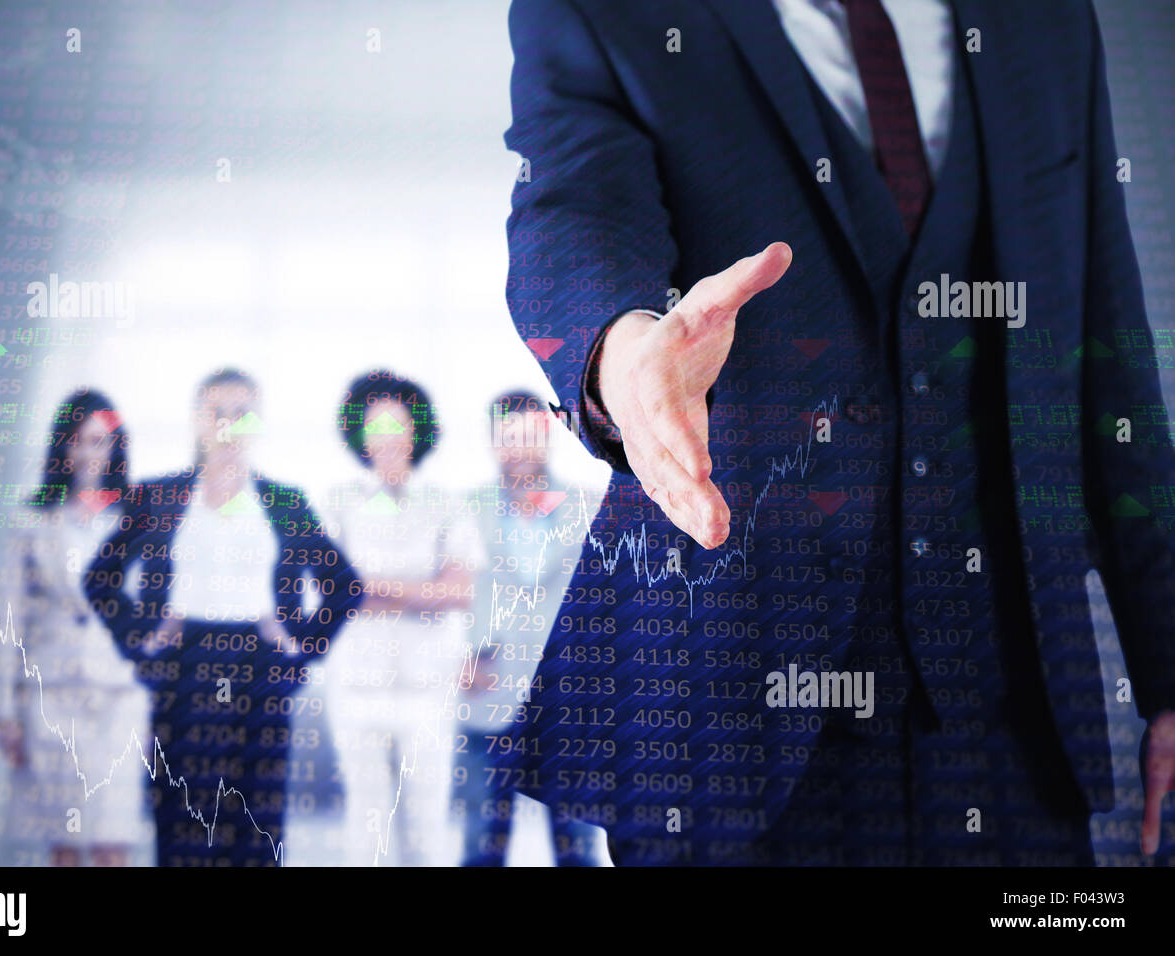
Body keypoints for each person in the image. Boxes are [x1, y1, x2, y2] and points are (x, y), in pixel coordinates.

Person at [501, 0, 1175, 865]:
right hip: (727, 708)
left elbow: (1109, 340)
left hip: (1013, 718)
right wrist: (620, 350)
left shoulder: (1044, 19)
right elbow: (569, 211)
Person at [83, 368, 360, 866]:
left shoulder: (285, 502)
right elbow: (100, 578)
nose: (230, 427)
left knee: (256, 824)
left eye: (242, 415)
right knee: (182, 819)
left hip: (260, 666)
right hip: (183, 666)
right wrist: (141, 640)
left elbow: (344, 586)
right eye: (218, 414)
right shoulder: (157, 497)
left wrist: (300, 646)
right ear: (197, 421)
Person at [320, 369, 480, 866]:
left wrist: (373, 587)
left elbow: (458, 592)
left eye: (399, 424)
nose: (388, 437)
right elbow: (334, 594)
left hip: (427, 687)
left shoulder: (446, 504)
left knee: (426, 827)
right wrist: (417, 591)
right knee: (367, 825)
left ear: (418, 430)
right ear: (360, 434)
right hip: (357, 686)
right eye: (376, 426)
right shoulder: (338, 503)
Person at [0, 388, 151, 866]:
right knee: (65, 844)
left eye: (100, 441)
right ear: (63, 447)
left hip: (120, 694)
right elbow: (8, 620)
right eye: (79, 441)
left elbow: (153, 608)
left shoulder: (138, 520)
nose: (89, 453)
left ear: (115, 448)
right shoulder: (32, 520)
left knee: (112, 839)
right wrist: (5, 709)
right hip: (52, 692)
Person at [455, 390, 605, 866]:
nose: (520, 448)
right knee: (482, 845)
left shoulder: (588, 507)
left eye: (530, 435)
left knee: (577, 850)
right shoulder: (465, 509)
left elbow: (606, 603)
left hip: (568, 706)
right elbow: (441, 598)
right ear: (493, 442)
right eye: (509, 437)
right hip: (487, 698)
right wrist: (458, 659)